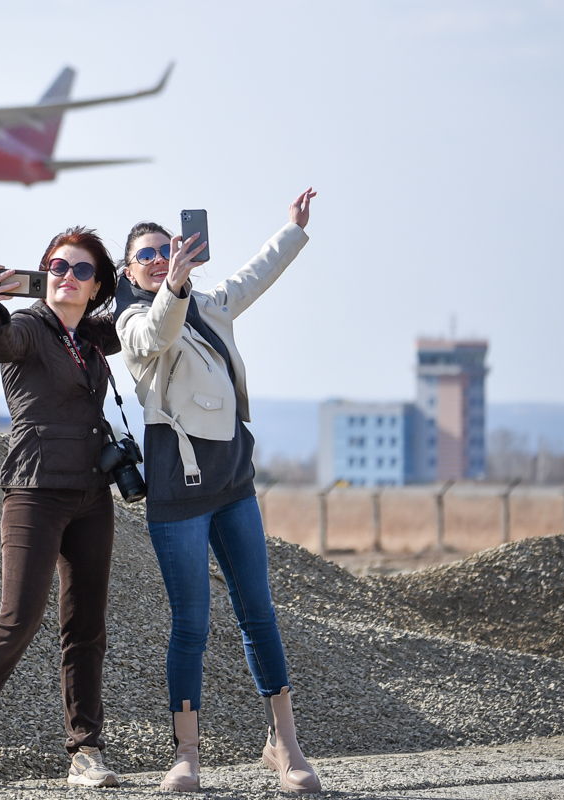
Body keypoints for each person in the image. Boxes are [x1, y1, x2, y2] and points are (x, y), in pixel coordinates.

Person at [114, 189, 322, 794]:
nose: (158, 258)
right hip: (178, 491)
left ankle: (283, 744)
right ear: (129, 271)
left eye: (166, 249)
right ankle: (186, 754)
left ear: (185, 252)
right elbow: (157, 335)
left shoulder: (212, 302)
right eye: (146, 255)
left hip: (233, 480)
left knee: (258, 611)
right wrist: (172, 288)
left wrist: (291, 229)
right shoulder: (131, 319)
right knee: (192, 624)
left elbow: (255, 276)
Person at [0, 226, 123, 788]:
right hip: (34, 491)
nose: (67, 277)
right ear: (43, 276)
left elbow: (138, 325)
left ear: (97, 284)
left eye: (81, 270)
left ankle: (86, 751)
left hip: (91, 494)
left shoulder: (90, 336)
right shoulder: (31, 329)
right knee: (18, 618)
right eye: (57, 267)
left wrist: (157, 277)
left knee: (86, 627)